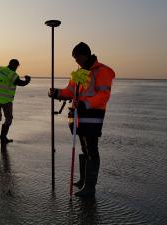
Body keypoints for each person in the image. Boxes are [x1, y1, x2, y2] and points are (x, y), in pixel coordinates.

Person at [48, 42, 115, 197]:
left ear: (85, 55)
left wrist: (85, 104)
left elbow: (104, 95)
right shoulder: (79, 73)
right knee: (85, 148)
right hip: (79, 117)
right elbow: (69, 92)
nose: (76, 61)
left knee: (92, 149)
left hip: (92, 117)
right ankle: (84, 181)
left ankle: (90, 188)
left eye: (77, 58)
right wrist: (57, 93)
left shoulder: (102, 71)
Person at [0, 59, 31, 144]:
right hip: (6, 101)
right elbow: (21, 83)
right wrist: (27, 80)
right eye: (17, 67)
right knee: (8, 118)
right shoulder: (13, 75)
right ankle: (3, 138)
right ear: (16, 66)